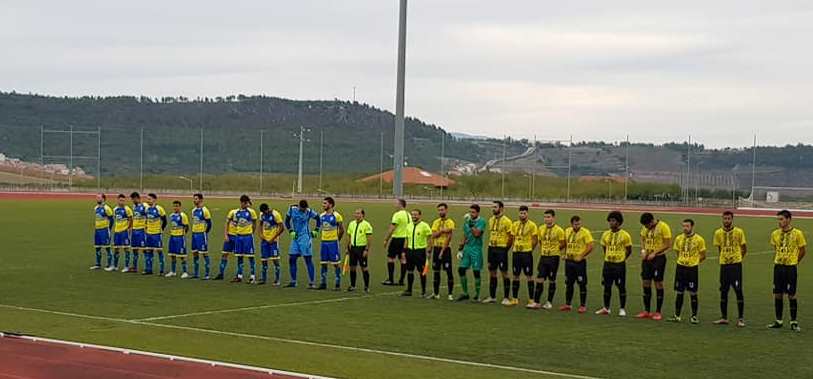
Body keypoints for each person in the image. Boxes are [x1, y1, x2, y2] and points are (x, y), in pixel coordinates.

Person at [768, 210, 806, 332]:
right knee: (777, 294)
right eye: (778, 219)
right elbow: (776, 248)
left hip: (790, 268)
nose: (779, 222)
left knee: (791, 294)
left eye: (782, 219)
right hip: (778, 266)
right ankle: (778, 320)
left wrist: (795, 261)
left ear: (789, 219)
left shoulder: (798, 233)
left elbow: (802, 250)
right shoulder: (775, 234)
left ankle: (793, 322)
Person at [668, 219, 706, 324]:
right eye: (683, 226)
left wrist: (693, 262)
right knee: (679, 292)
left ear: (692, 227)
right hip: (680, 267)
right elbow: (677, 251)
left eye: (687, 226)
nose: (685, 228)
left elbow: (703, 255)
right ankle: (677, 315)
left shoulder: (699, 239)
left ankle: (694, 316)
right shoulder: (679, 238)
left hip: (692, 269)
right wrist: (683, 260)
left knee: (693, 292)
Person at [712, 211, 747, 327]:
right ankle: (724, 317)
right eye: (725, 218)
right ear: (722, 219)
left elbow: (744, 248)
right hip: (724, 265)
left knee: (738, 290)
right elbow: (719, 248)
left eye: (729, 219)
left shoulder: (739, 232)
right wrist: (724, 259)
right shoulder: (718, 233)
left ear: (732, 219)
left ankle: (741, 319)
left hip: (735, 265)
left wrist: (737, 258)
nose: (726, 221)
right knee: (723, 290)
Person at [595, 211, 632, 316]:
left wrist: (622, 259)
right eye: (610, 221)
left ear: (619, 222)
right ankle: (606, 308)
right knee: (607, 286)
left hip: (619, 265)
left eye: (614, 221)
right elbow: (604, 247)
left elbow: (629, 250)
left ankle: (622, 308)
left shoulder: (625, 235)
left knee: (621, 286)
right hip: (608, 264)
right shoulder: (605, 234)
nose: (611, 223)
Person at [528, 209, 566, 310]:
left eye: (548, 217)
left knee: (552, 280)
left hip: (554, 258)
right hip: (543, 257)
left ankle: (549, 302)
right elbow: (540, 241)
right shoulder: (541, 228)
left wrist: (554, 250)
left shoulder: (559, 230)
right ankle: (536, 302)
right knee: (539, 279)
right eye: (545, 217)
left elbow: (563, 243)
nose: (546, 219)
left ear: (553, 218)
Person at [637, 213, 672, 321]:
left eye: (647, 225)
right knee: (645, 282)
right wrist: (643, 251)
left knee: (658, 283)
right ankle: (646, 310)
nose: (646, 227)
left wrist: (655, 253)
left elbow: (667, 244)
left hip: (658, 259)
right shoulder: (644, 228)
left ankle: (658, 311)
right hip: (647, 258)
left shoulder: (663, 227)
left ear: (652, 221)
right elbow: (642, 239)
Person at [561, 215, 594, 313]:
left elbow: (590, 246)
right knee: (569, 283)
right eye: (576, 224)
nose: (578, 225)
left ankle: (583, 305)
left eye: (579, 223)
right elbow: (566, 244)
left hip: (579, 262)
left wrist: (581, 255)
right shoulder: (567, 231)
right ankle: (568, 304)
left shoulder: (585, 232)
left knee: (582, 283)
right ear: (572, 224)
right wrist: (564, 254)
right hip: (569, 261)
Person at [285, 199, 321, 288]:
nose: (304, 210)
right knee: (292, 258)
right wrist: (291, 231)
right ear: (299, 206)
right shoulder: (292, 209)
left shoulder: (309, 211)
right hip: (295, 237)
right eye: (302, 209)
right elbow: (287, 221)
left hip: (305, 237)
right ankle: (293, 281)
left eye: (305, 209)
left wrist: (316, 230)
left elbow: (318, 218)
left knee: (307, 258)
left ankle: (312, 282)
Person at [483, 200, 513, 305]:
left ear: (501, 208)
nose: (493, 209)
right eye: (492, 207)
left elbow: (511, 237)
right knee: (492, 271)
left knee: (504, 272)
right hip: (491, 248)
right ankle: (492, 296)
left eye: (495, 207)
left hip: (501, 249)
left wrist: (505, 249)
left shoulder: (507, 221)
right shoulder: (491, 220)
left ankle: (506, 297)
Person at [509, 205, 538, 306]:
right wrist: (514, 247)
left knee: (529, 276)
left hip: (526, 253)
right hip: (516, 253)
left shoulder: (532, 225)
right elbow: (513, 237)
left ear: (527, 214)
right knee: (515, 275)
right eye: (521, 213)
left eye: (524, 213)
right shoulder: (514, 224)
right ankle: (515, 298)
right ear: (519, 213)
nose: (522, 215)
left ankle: (531, 299)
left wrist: (529, 249)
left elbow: (535, 239)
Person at [456, 204, 485, 302]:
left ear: (477, 213)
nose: (471, 214)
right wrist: (460, 248)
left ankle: (477, 295)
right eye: (470, 212)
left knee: (476, 272)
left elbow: (477, 234)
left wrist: (471, 224)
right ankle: (465, 293)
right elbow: (465, 235)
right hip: (467, 249)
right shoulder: (466, 222)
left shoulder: (482, 221)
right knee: (461, 270)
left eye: (473, 212)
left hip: (476, 249)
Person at [402, 209, 432, 297]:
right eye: (412, 215)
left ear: (420, 215)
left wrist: (429, 250)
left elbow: (430, 238)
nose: (413, 216)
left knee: (422, 271)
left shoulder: (424, 226)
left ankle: (423, 291)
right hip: (410, 251)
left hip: (420, 251)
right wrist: (404, 251)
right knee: (410, 271)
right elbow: (406, 239)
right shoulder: (409, 226)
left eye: (415, 215)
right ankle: (409, 290)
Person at [230, 195, 258, 284]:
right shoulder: (237, 213)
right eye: (242, 203)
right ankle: (239, 276)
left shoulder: (251, 212)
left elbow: (254, 223)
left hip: (247, 237)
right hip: (238, 237)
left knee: (250, 256)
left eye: (245, 203)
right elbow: (235, 223)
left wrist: (251, 232)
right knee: (239, 256)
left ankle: (252, 276)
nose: (244, 204)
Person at [430, 203, 455, 300]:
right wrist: (441, 231)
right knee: (436, 271)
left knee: (448, 271)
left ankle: (450, 294)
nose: (441, 212)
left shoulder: (450, 222)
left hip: (446, 249)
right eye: (439, 210)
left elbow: (449, 236)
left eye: (442, 210)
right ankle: (436, 293)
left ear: (446, 210)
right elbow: (433, 235)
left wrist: (442, 252)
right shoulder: (436, 222)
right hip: (436, 247)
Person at [318, 197, 344, 290]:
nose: (323, 205)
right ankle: (323, 283)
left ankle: (337, 284)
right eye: (323, 203)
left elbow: (341, 229)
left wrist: (337, 239)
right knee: (323, 263)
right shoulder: (321, 216)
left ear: (331, 205)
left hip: (333, 242)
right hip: (324, 242)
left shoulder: (337, 216)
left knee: (335, 263)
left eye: (325, 203)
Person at [382, 199, 410, 286]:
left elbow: (392, 228)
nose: (395, 205)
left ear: (401, 204)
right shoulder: (408, 214)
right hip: (406, 238)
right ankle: (401, 280)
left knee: (391, 258)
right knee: (403, 259)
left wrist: (386, 239)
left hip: (397, 238)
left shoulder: (397, 215)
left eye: (396, 203)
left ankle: (391, 279)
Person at [346, 208, 373, 293]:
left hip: (361, 249)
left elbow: (369, 239)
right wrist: (347, 247)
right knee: (352, 267)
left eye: (358, 213)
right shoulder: (351, 224)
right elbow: (349, 236)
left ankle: (366, 286)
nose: (356, 215)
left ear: (363, 215)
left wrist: (366, 249)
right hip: (353, 248)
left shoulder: (367, 225)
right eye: (355, 213)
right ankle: (353, 285)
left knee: (364, 268)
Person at [259, 203, 284, 285]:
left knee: (275, 260)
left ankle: (277, 280)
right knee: (264, 260)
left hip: (273, 242)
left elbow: (282, 228)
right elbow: (260, 224)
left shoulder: (275, 214)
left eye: (265, 211)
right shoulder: (262, 214)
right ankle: (263, 279)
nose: (264, 213)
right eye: (263, 212)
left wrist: (273, 238)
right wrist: (261, 234)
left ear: (268, 209)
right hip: (265, 241)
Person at [143, 193, 167, 275]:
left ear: (154, 200)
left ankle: (161, 270)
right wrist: (146, 227)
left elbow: (165, 221)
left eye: (149, 199)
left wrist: (161, 229)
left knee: (159, 251)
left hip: (157, 233)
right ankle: (148, 269)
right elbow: (146, 219)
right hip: (149, 233)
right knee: (148, 251)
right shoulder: (147, 209)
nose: (148, 200)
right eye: (147, 199)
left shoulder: (159, 209)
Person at [165, 200, 190, 278]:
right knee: (172, 255)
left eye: (177, 206)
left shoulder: (183, 215)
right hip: (172, 237)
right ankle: (173, 271)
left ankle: (185, 272)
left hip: (180, 238)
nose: (175, 208)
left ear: (180, 207)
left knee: (182, 256)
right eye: (174, 206)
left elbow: (186, 226)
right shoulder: (171, 215)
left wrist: (182, 234)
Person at [190, 193, 212, 280]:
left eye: (196, 199)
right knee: (195, 253)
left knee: (204, 253)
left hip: (201, 234)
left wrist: (205, 232)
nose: (194, 200)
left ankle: (207, 274)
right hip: (194, 234)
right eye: (194, 199)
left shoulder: (205, 210)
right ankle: (196, 273)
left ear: (201, 200)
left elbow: (209, 223)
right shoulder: (193, 210)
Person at [109, 194, 133, 272]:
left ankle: (126, 266)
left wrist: (129, 229)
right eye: (120, 200)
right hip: (117, 232)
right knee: (116, 249)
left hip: (124, 232)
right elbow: (115, 220)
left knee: (126, 249)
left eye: (123, 200)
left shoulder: (127, 209)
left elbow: (130, 220)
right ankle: (115, 266)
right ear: (117, 200)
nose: (122, 202)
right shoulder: (115, 209)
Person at [213, 207, 238, 280]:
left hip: (238, 237)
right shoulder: (233, 212)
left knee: (239, 256)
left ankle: (238, 274)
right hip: (230, 236)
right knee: (224, 254)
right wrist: (226, 235)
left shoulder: (247, 214)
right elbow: (226, 223)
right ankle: (221, 273)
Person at [91, 193, 114, 270]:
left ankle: (109, 264)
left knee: (107, 247)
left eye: (99, 197)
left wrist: (109, 228)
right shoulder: (96, 208)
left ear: (103, 199)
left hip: (104, 230)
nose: (97, 199)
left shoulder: (107, 208)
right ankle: (98, 264)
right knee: (97, 247)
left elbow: (111, 219)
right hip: (97, 230)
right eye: (96, 197)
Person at [126, 192, 147, 273]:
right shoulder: (134, 207)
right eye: (132, 199)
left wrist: (146, 226)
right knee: (134, 249)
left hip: (142, 230)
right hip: (134, 230)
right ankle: (134, 267)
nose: (133, 200)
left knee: (144, 249)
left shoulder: (144, 206)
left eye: (134, 199)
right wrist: (131, 227)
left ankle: (147, 267)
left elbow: (148, 216)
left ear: (138, 198)